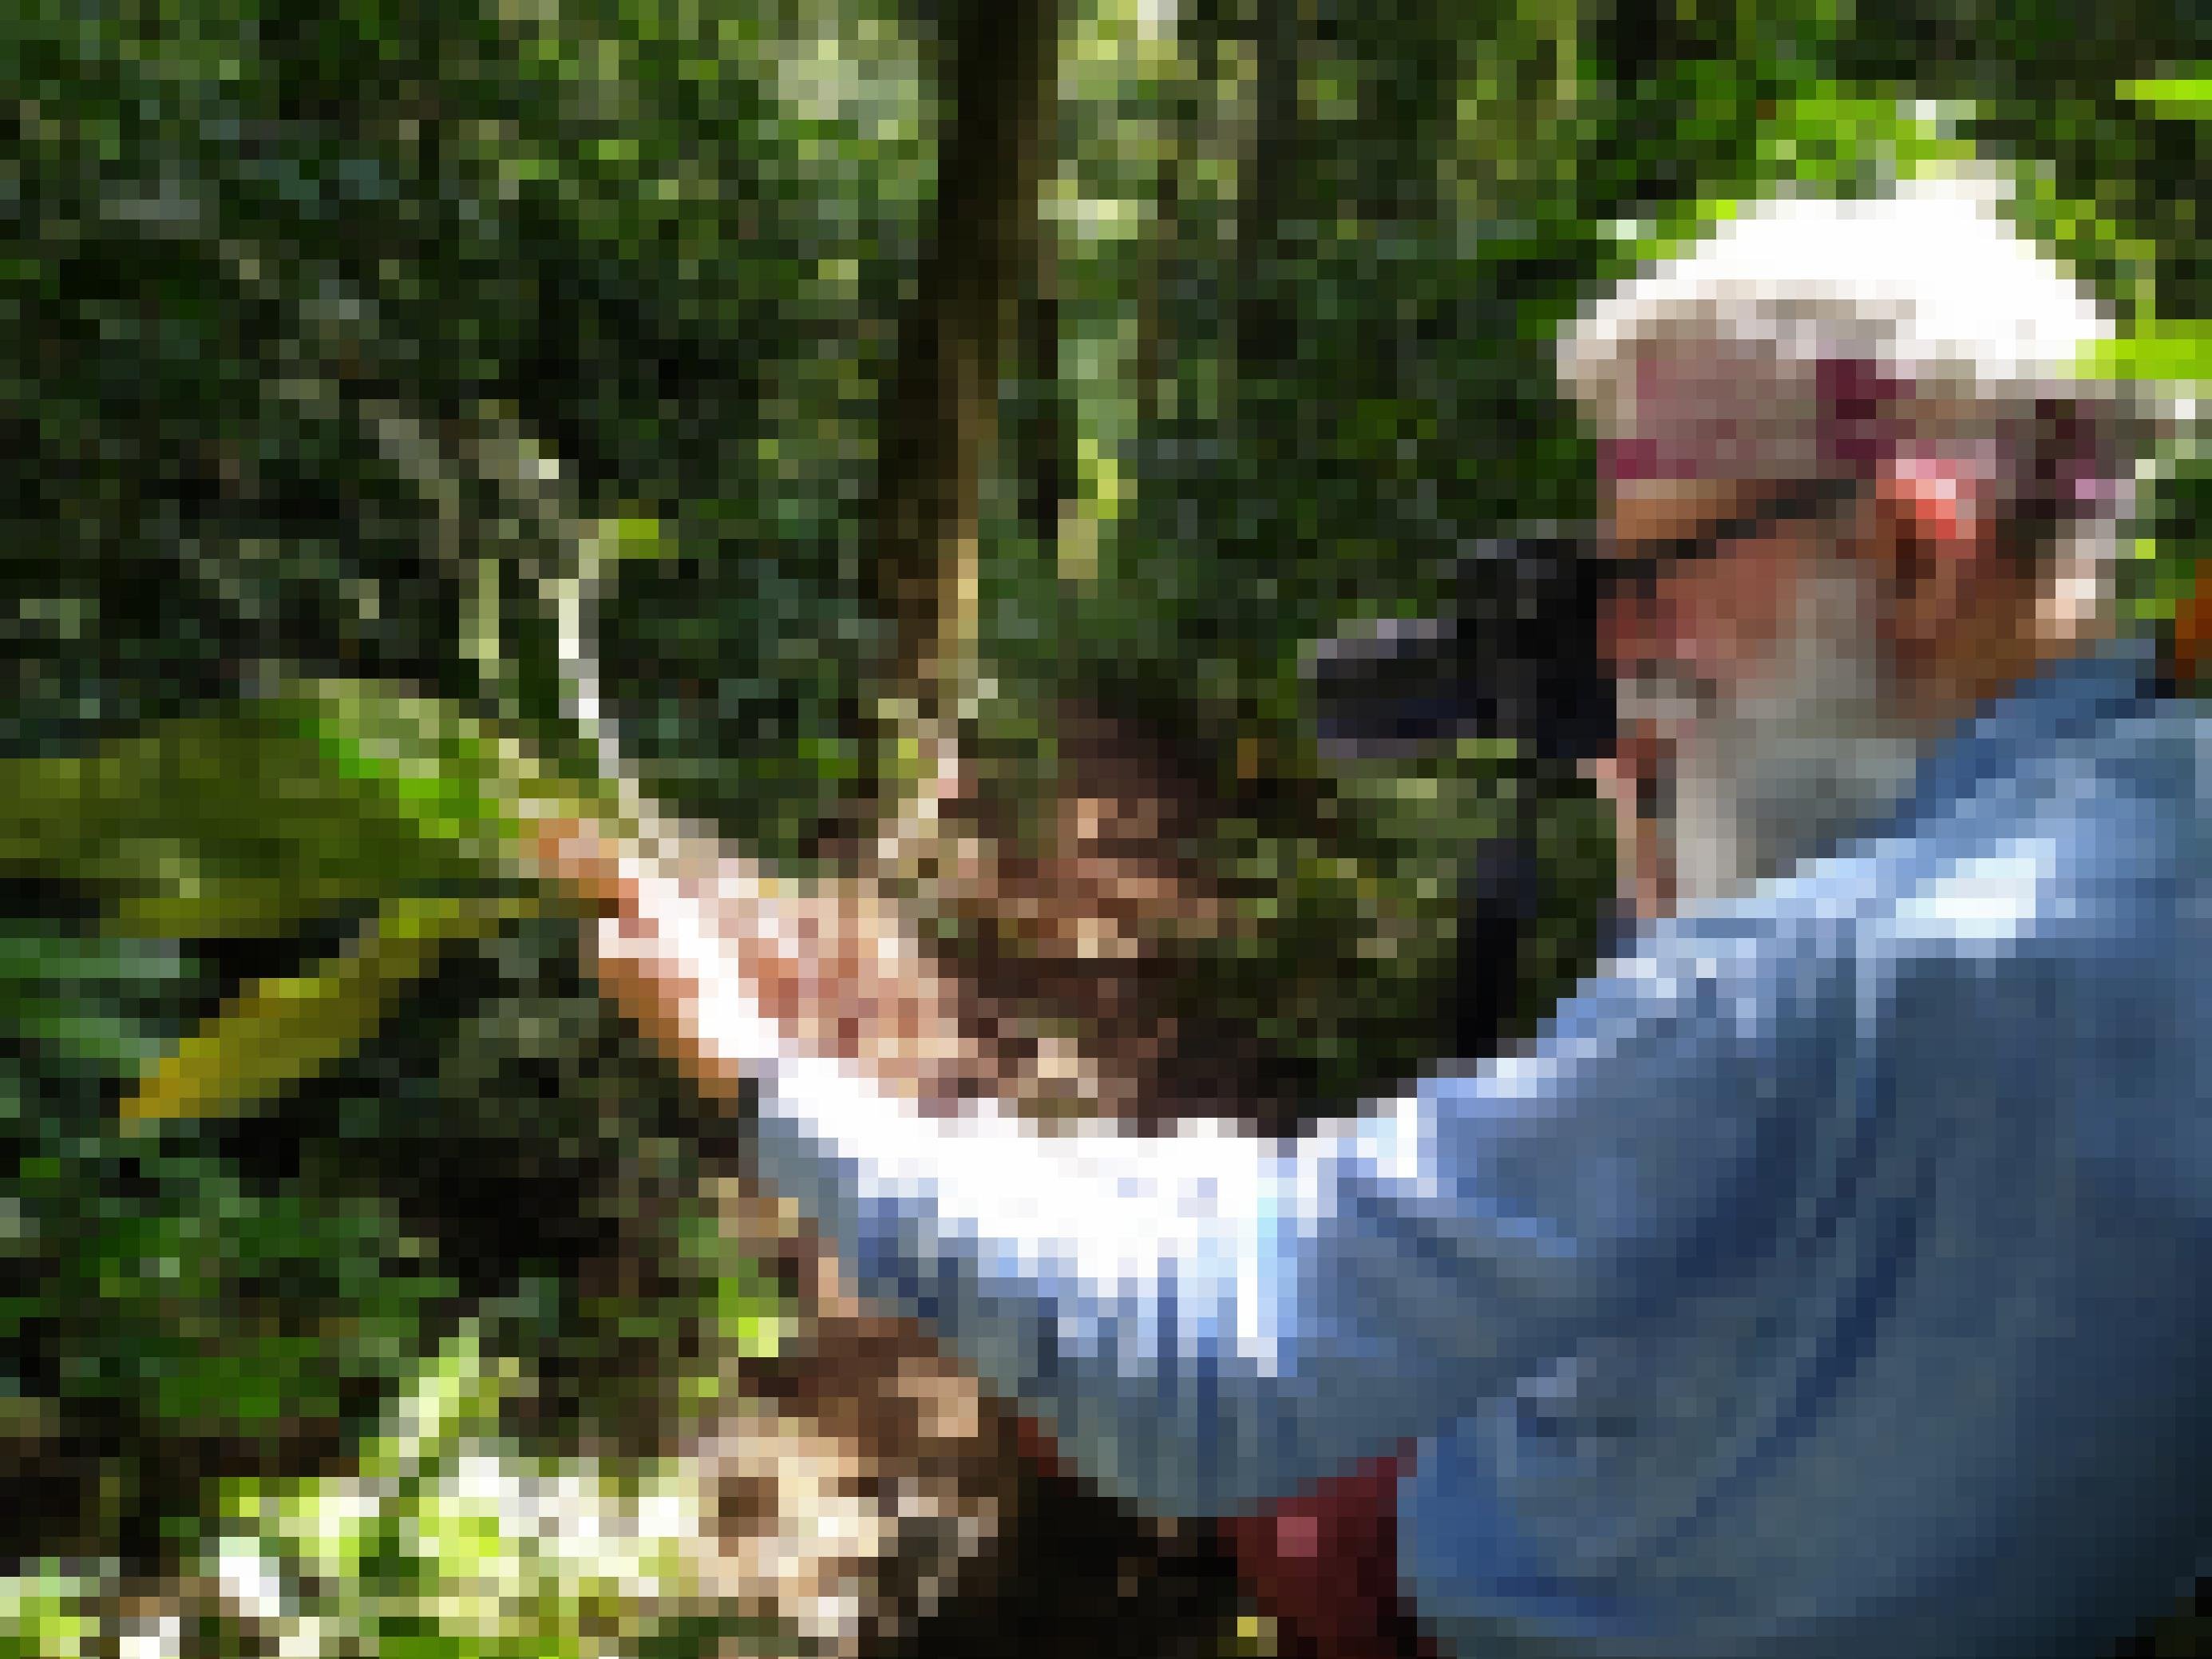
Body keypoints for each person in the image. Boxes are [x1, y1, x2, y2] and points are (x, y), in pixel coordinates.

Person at [541, 170, 2209, 1659]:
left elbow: (1202, 1374)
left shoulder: (1780, 999)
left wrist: (760, 1074)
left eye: (1652, 573)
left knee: (1064, 1367)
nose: (1630, 642)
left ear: (1917, 551)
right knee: (1143, 1180)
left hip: (1532, 1586)